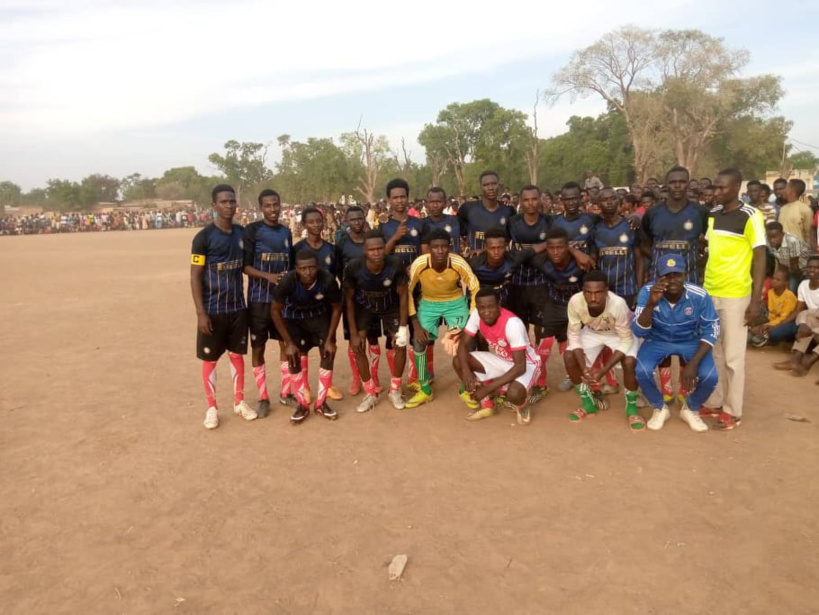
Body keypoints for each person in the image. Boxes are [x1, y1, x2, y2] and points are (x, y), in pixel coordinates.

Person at [701, 169, 766, 431]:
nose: (716, 192)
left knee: (733, 356)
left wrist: (755, 300)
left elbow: (760, 257)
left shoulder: (751, 216)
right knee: (713, 350)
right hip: (710, 290)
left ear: (737, 187)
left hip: (736, 294)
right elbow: (709, 251)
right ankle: (715, 401)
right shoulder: (714, 214)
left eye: (722, 188)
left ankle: (733, 411)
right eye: (715, 187)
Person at [190, 184, 257, 430]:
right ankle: (211, 408)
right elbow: (195, 276)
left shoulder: (242, 234)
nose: (229, 205)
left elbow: (247, 266)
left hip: (238, 308)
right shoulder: (203, 238)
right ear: (214, 205)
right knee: (210, 359)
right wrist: (200, 313)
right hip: (212, 310)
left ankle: (239, 402)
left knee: (237, 355)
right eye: (223, 202)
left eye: (232, 201)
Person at [633, 254, 720, 433]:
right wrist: (650, 303)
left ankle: (691, 408)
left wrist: (692, 364)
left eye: (677, 275)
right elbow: (639, 331)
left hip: (689, 340)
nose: (672, 280)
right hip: (657, 339)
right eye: (666, 276)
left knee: (710, 377)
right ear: (658, 277)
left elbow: (712, 329)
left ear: (685, 275)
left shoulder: (699, 295)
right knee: (641, 371)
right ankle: (659, 407)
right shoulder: (647, 291)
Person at [406, 228, 479, 408]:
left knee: (468, 341)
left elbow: (475, 287)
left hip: (455, 302)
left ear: (450, 247)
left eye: (444, 247)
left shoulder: (458, 262)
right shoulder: (420, 263)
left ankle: (466, 389)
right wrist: (415, 323)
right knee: (418, 341)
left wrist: (470, 317)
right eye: (435, 247)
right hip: (429, 303)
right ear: (429, 249)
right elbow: (407, 291)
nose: (440, 251)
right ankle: (425, 389)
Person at [270, 250, 343, 424]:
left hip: (318, 316)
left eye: (312, 267)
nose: (308, 272)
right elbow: (275, 310)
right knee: (293, 355)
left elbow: (336, 308)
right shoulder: (288, 281)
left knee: (328, 352)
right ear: (296, 269)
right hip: (293, 318)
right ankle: (302, 404)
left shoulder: (327, 279)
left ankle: (321, 403)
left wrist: (330, 338)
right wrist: (287, 342)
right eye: (303, 269)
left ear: (317, 266)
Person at [564, 271, 643, 430]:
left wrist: (602, 371)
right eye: (589, 292)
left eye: (598, 292)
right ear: (583, 291)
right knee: (569, 356)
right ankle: (588, 403)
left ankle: (631, 408)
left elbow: (626, 340)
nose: (593, 298)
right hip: (593, 331)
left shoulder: (618, 304)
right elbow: (573, 335)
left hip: (619, 334)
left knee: (629, 362)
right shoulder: (575, 301)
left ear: (606, 291)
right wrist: (584, 367)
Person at [345, 231, 411, 413]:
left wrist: (403, 328)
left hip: (390, 305)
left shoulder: (396, 264)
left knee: (400, 343)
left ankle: (395, 389)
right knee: (357, 346)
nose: (376, 253)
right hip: (364, 306)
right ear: (364, 250)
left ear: (385, 248)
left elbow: (404, 296)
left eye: (380, 248)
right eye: (372, 249)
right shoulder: (354, 267)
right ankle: (370, 392)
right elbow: (349, 300)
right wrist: (353, 333)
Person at [454, 288, 540, 424]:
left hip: (526, 364)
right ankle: (487, 405)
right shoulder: (476, 314)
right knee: (459, 361)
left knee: (514, 393)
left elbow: (520, 367)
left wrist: (487, 388)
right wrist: (466, 372)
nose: (486, 312)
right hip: (502, 360)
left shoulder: (513, 324)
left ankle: (522, 405)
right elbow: (463, 345)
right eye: (482, 307)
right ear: (477, 307)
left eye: (490, 307)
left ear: (499, 306)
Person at [242, 189, 294, 417]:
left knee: (285, 344)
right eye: (268, 205)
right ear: (261, 208)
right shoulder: (252, 231)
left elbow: (290, 265)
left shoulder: (286, 232)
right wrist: (268, 277)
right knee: (258, 346)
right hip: (258, 300)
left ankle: (286, 392)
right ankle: (263, 397)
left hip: (281, 301)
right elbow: (245, 266)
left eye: (276, 204)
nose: (273, 209)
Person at [292, 206, 342, 402]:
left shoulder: (331, 249)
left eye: (318, 221)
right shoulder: (297, 250)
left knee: (327, 345)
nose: (315, 225)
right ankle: (305, 386)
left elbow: (338, 275)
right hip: (303, 306)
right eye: (311, 222)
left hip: (327, 307)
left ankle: (326, 385)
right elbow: (292, 277)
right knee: (303, 348)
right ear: (304, 224)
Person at [336, 206, 384, 396]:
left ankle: (374, 376)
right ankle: (357, 378)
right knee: (354, 340)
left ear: (364, 218)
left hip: (372, 297)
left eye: (359, 218)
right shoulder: (342, 243)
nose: (356, 222)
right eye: (352, 219)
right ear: (346, 221)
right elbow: (339, 270)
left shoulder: (372, 239)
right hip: (351, 298)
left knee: (373, 338)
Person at [531, 227, 585, 393]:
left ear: (568, 247)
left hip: (576, 307)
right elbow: (525, 254)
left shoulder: (581, 262)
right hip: (554, 305)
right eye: (551, 248)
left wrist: (575, 252)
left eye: (560, 247)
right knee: (545, 344)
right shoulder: (541, 261)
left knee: (574, 344)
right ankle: (540, 384)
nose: (555, 252)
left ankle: (575, 377)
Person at [591, 187, 642, 308]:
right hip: (604, 291)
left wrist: (639, 291)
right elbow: (594, 260)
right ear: (598, 204)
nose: (609, 202)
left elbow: (639, 259)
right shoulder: (596, 230)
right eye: (604, 199)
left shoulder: (630, 226)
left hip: (627, 290)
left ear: (618, 201)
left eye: (613, 199)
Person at [774, 255, 819, 378]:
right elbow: (799, 310)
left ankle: (808, 362)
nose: (812, 270)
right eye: (810, 267)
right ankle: (795, 360)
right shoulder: (804, 285)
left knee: (808, 316)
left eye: (816, 268)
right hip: (812, 320)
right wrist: (802, 324)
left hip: (814, 320)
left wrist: (810, 328)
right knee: (805, 317)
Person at [457, 171, 516, 254]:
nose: (491, 188)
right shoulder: (468, 208)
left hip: (500, 262)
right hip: (475, 262)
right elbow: (456, 229)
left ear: (499, 185)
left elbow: (511, 239)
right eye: (486, 185)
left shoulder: (508, 210)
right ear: (481, 187)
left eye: (494, 184)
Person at [749, 268, 798, 346]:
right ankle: (759, 335)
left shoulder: (789, 296)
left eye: (778, 280)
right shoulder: (770, 292)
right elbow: (769, 312)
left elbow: (784, 318)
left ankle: (767, 339)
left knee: (770, 332)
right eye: (773, 278)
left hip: (783, 323)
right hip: (771, 320)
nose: (773, 281)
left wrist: (768, 325)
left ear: (785, 283)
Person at [766, 221, 811, 293]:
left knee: (793, 289)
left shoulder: (792, 241)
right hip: (789, 269)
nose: (772, 240)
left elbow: (795, 265)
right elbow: (779, 260)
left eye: (774, 237)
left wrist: (801, 282)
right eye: (769, 237)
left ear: (782, 234)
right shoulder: (768, 242)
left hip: (804, 270)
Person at [552, 182, 597, 254]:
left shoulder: (591, 219)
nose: (571, 203)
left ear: (580, 198)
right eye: (567, 199)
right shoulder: (554, 222)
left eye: (574, 199)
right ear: (562, 200)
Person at [420, 187, 460, 254]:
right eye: (432, 202)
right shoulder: (421, 224)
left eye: (438, 202)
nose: (435, 205)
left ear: (445, 203)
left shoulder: (455, 221)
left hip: (454, 263)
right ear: (427, 204)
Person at [778, 179, 813, 245]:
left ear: (793, 191)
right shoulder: (782, 209)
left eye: (786, 188)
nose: (784, 191)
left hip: (799, 251)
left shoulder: (805, 210)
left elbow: (809, 235)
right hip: (783, 250)